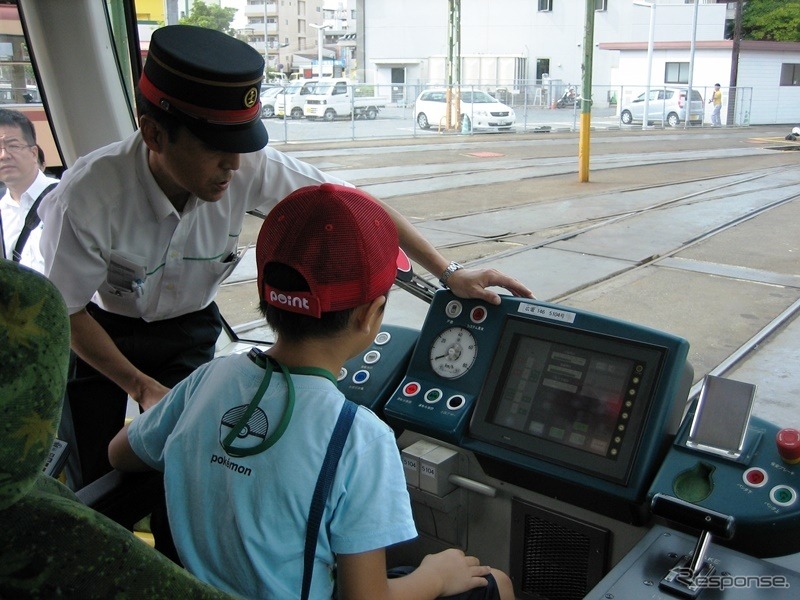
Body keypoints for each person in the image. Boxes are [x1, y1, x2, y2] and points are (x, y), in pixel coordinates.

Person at [38, 24, 531, 550]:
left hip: (187, 330)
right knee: (99, 488)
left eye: (240, 146)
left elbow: (354, 208)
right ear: (155, 134)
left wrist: (447, 272)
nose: (233, 163)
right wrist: (138, 385)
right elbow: (65, 311)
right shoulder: (89, 197)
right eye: (215, 148)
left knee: (182, 483)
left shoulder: (245, 167)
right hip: (101, 334)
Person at [109, 183, 515, 600]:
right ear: (372, 316)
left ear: (266, 295)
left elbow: (120, 453)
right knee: (493, 584)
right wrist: (436, 576)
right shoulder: (358, 436)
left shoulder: (208, 378)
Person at [0, 109, 59, 272]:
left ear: (34, 153)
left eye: (12, 146)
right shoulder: (2, 210)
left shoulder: (64, 198)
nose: (4, 155)